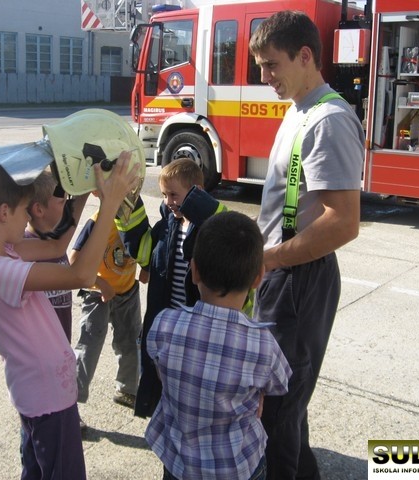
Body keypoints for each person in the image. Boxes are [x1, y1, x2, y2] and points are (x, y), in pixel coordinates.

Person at [0, 153, 139, 480]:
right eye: (24, 210)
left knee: (37, 470)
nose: (28, 216)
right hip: (47, 395)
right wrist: (110, 203)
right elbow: (81, 275)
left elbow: (56, 247)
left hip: (36, 391)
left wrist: (84, 192)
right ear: (4, 212)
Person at [249, 11, 364, 480]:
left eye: (271, 65)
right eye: (261, 67)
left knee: (277, 408)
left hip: (298, 279)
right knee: (286, 402)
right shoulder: (299, 109)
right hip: (283, 273)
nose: (265, 77)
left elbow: (344, 223)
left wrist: (270, 258)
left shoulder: (329, 120)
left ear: (304, 56)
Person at [145, 211, 292, 480]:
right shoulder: (263, 344)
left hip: (179, 464)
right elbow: (280, 385)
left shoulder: (165, 324)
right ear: (258, 278)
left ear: (194, 271)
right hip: (237, 467)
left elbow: (161, 369)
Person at [116, 158, 227, 418]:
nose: (168, 201)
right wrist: (124, 201)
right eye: (164, 195)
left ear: (198, 193)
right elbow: (144, 252)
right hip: (167, 330)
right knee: (162, 389)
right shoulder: (167, 226)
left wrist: (202, 209)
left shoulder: (211, 230)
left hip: (197, 336)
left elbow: (227, 228)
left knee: (191, 395)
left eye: (174, 195)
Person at [71, 205, 142, 411]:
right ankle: (70, 404)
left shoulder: (136, 218)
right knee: (89, 346)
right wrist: (100, 283)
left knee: (131, 342)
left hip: (127, 292)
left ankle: (127, 390)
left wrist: (147, 268)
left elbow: (145, 247)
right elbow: (74, 261)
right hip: (97, 294)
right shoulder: (98, 221)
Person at [25, 170, 88, 341]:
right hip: (39, 348)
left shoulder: (54, 242)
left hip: (60, 345)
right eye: (62, 202)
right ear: (39, 209)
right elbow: (80, 276)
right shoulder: (26, 248)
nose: (67, 207)